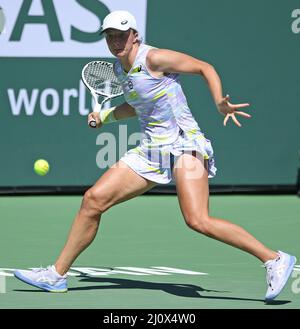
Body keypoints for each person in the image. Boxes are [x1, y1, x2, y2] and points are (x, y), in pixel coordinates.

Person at [14, 10, 296, 302]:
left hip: (184, 145)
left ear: (135, 36)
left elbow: (204, 67)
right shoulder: (121, 69)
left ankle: (274, 259)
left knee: (198, 220)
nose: (115, 41)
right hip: (151, 150)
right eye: (110, 35)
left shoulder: (154, 58)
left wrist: (218, 102)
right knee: (93, 200)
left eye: (121, 35)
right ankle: (56, 275)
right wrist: (105, 117)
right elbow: (137, 105)